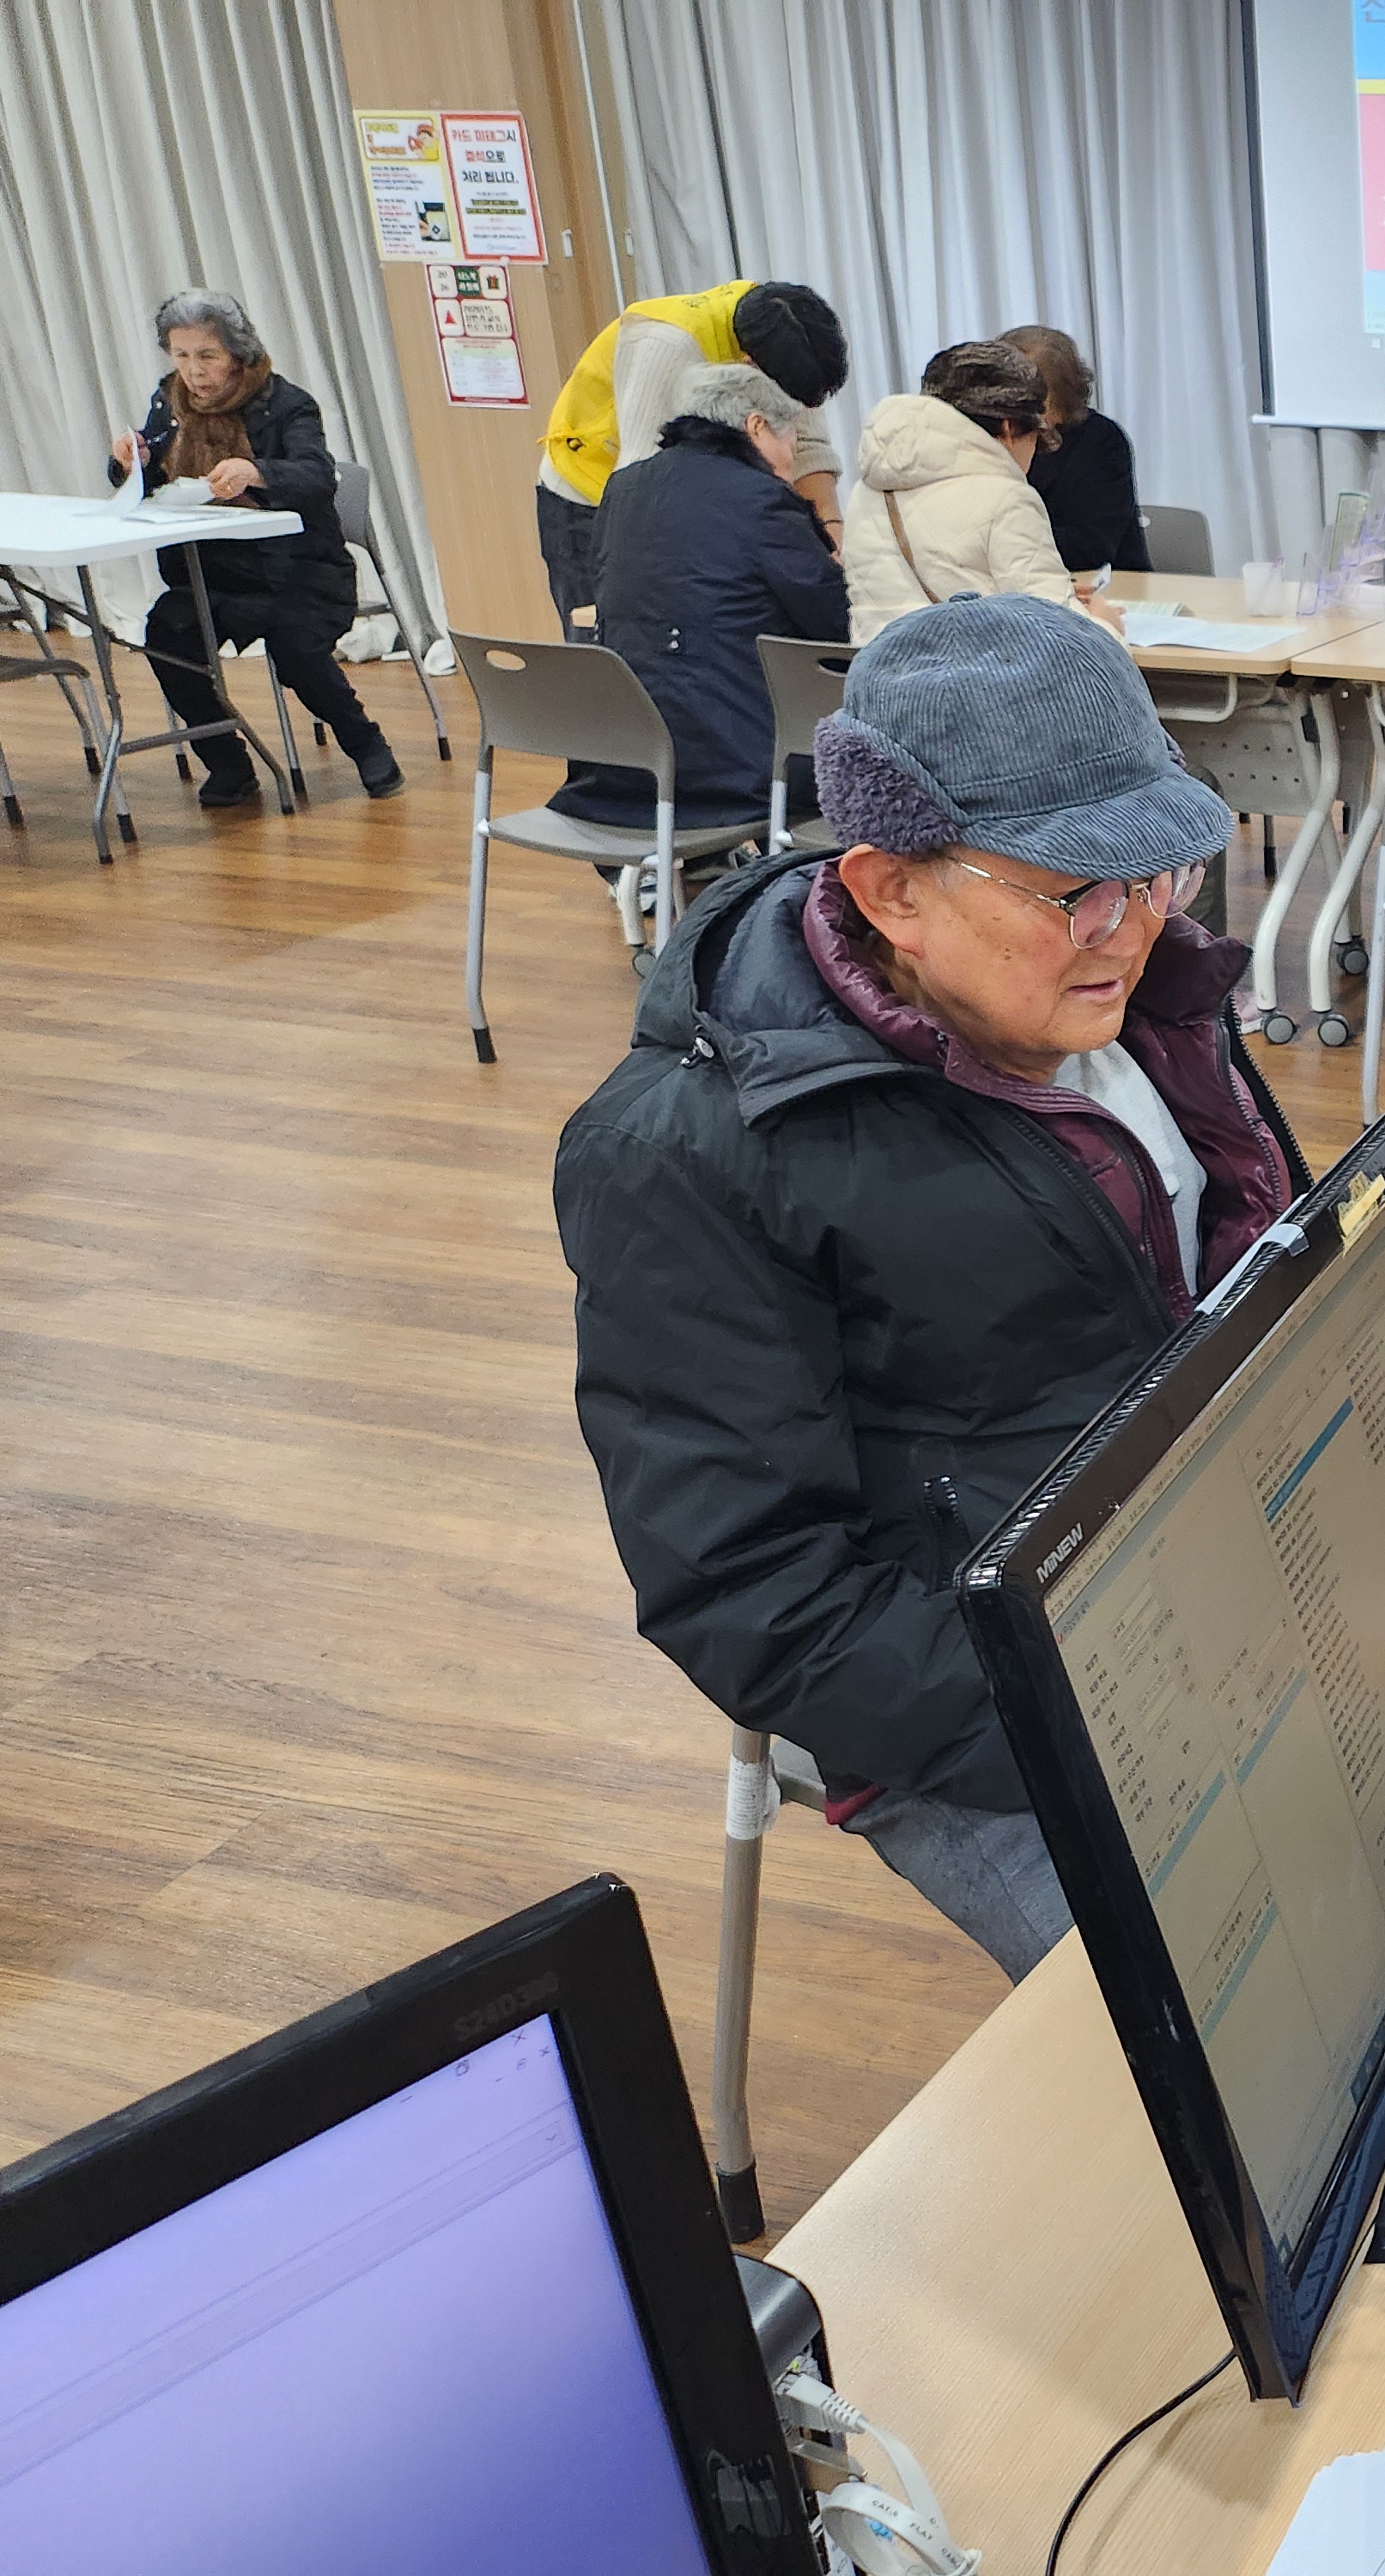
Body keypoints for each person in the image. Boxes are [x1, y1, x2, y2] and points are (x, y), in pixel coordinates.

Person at [554, 594, 1309, 1978]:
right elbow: (757, 1594)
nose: (1132, 929)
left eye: (1159, 875)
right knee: (1263, 1988)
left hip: (1224, 1559)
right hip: (987, 1691)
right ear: (892, 890)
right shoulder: (692, 1156)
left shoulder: (1134, 1007)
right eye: (1075, 891)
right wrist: (1100, 1702)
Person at [106, 288, 400, 807]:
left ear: (237, 352)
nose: (193, 371)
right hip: (210, 572)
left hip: (297, 571)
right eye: (181, 355)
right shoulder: (169, 401)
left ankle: (367, 745)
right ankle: (229, 763)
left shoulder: (286, 403)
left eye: (207, 355)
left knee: (296, 650)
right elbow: (151, 483)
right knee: (167, 638)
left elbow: (316, 476)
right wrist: (133, 463)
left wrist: (257, 472)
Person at [548, 364, 849, 836]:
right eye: (793, 440)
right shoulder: (761, 498)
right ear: (756, 426)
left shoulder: (624, 487)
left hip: (625, 764)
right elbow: (834, 624)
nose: (793, 459)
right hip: (735, 765)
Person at [537, 279, 849, 620]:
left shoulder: (786, 335)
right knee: (619, 628)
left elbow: (808, 447)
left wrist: (830, 533)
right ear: (749, 366)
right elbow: (639, 485)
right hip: (594, 498)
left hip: (684, 491)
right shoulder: (666, 344)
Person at [841, 342, 1084, 643]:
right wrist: (1103, 622)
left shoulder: (865, 492)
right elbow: (1058, 635)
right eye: (1036, 437)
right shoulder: (1008, 498)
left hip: (877, 669)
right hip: (974, 672)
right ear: (1009, 428)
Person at [1000, 325, 1148, 584]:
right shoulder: (985, 440)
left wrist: (1001, 541)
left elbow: (1090, 548)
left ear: (1060, 399)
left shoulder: (1102, 442)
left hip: (1104, 588)